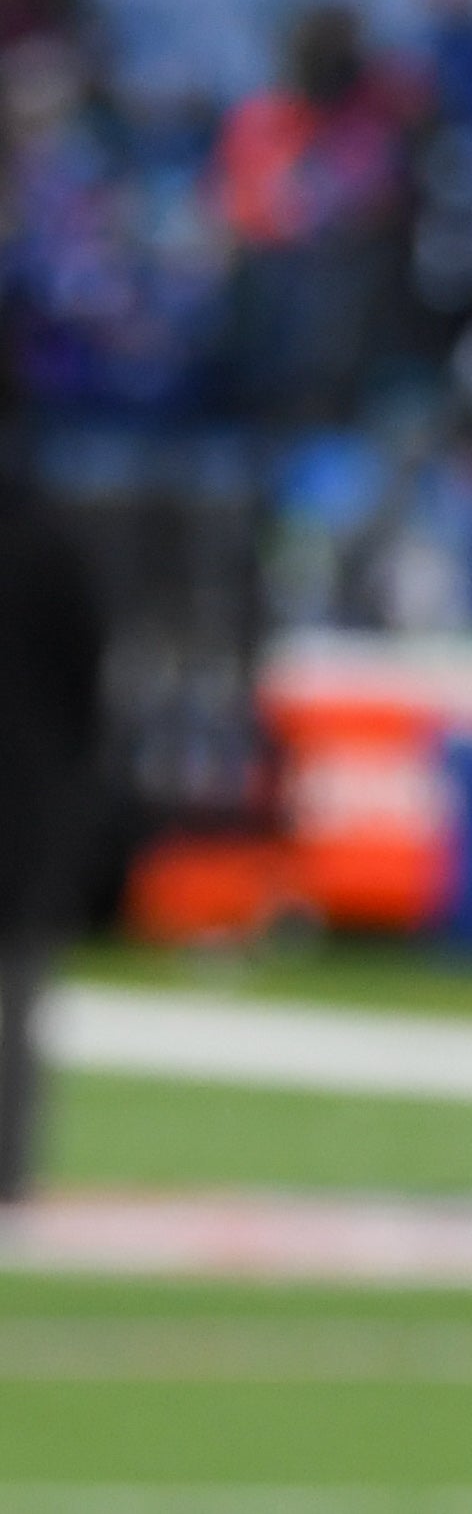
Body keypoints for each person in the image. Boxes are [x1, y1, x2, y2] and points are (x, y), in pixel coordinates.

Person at [0, 423, 108, 1200]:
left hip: (25, 793)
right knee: (14, 992)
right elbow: (86, 675)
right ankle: (7, 1170)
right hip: (29, 794)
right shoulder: (48, 529)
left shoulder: (45, 532)